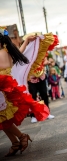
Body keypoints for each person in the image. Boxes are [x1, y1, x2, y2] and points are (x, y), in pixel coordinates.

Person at [0, 27, 49, 156]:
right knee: (3, 119)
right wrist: (26, 41)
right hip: (5, 89)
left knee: (2, 118)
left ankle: (21, 137)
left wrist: (26, 40)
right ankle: (15, 142)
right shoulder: (7, 51)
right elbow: (20, 53)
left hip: (3, 90)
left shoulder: (1, 52)